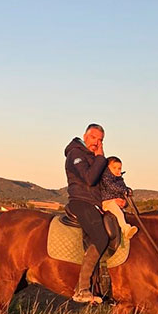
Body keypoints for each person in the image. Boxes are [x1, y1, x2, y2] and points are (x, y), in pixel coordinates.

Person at [64, 123, 109, 304]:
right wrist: (100, 158)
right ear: (85, 136)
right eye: (93, 138)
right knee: (101, 238)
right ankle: (82, 288)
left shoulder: (93, 156)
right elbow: (89, 180)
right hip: (81, 202)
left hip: (96, 204)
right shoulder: (76, 154)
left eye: (100, 140)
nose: (96, 143)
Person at [100, 157, 138, 240]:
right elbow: (112, 187)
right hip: (107, 203)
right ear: (107, 168)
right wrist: (125, 190)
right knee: (119, 214)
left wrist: (124, 201)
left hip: (115, 203)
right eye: (114, 168)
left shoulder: (119, 180)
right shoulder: (106, 177)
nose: (117, 170)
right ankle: (125, 229)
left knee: (123, 214)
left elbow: (122, 191)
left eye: (119, 168)